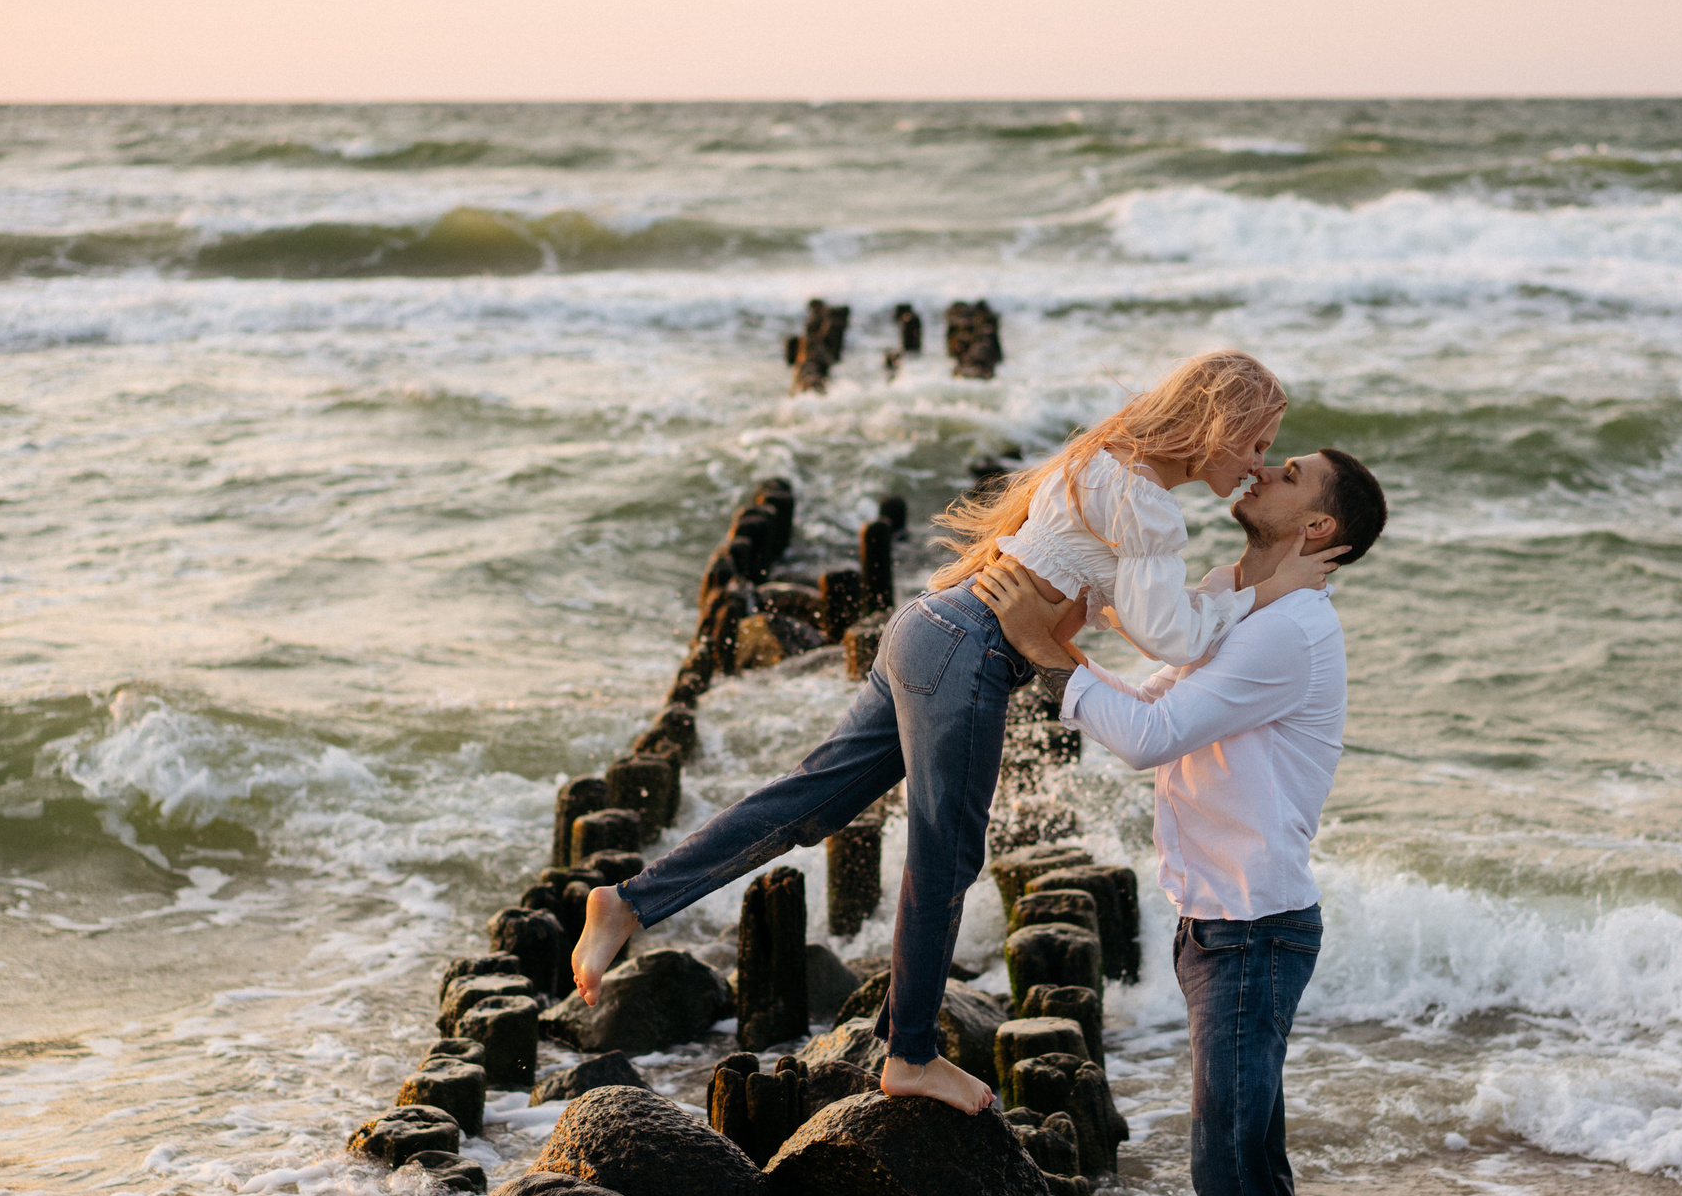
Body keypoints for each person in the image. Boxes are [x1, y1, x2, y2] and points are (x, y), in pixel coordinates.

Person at [567, 351, 1345, 1115]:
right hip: (968, 654)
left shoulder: (1102, 458)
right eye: (1255, 442)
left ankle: (633, 903)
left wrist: (1214, 593)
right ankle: (908, 1056)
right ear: (1213, 426)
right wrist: (1264, 591)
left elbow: (1128, 613)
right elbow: (1169, 637)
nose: (1257, 463)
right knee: (946, 856)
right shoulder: (1149, 505)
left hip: (930, 626)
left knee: (809, 803)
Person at [972, 446, 1386, 1196]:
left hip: (1251, 931)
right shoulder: (1257, 614)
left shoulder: (1291, 632)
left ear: (1320, 529)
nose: (1266, 468)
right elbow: (1151, 697)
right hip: (1226, 929)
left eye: (1291, 474)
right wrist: (1065, 651)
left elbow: (1151, 738)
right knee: (1253, 1158)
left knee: (1226, 1164)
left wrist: (1046, 651)